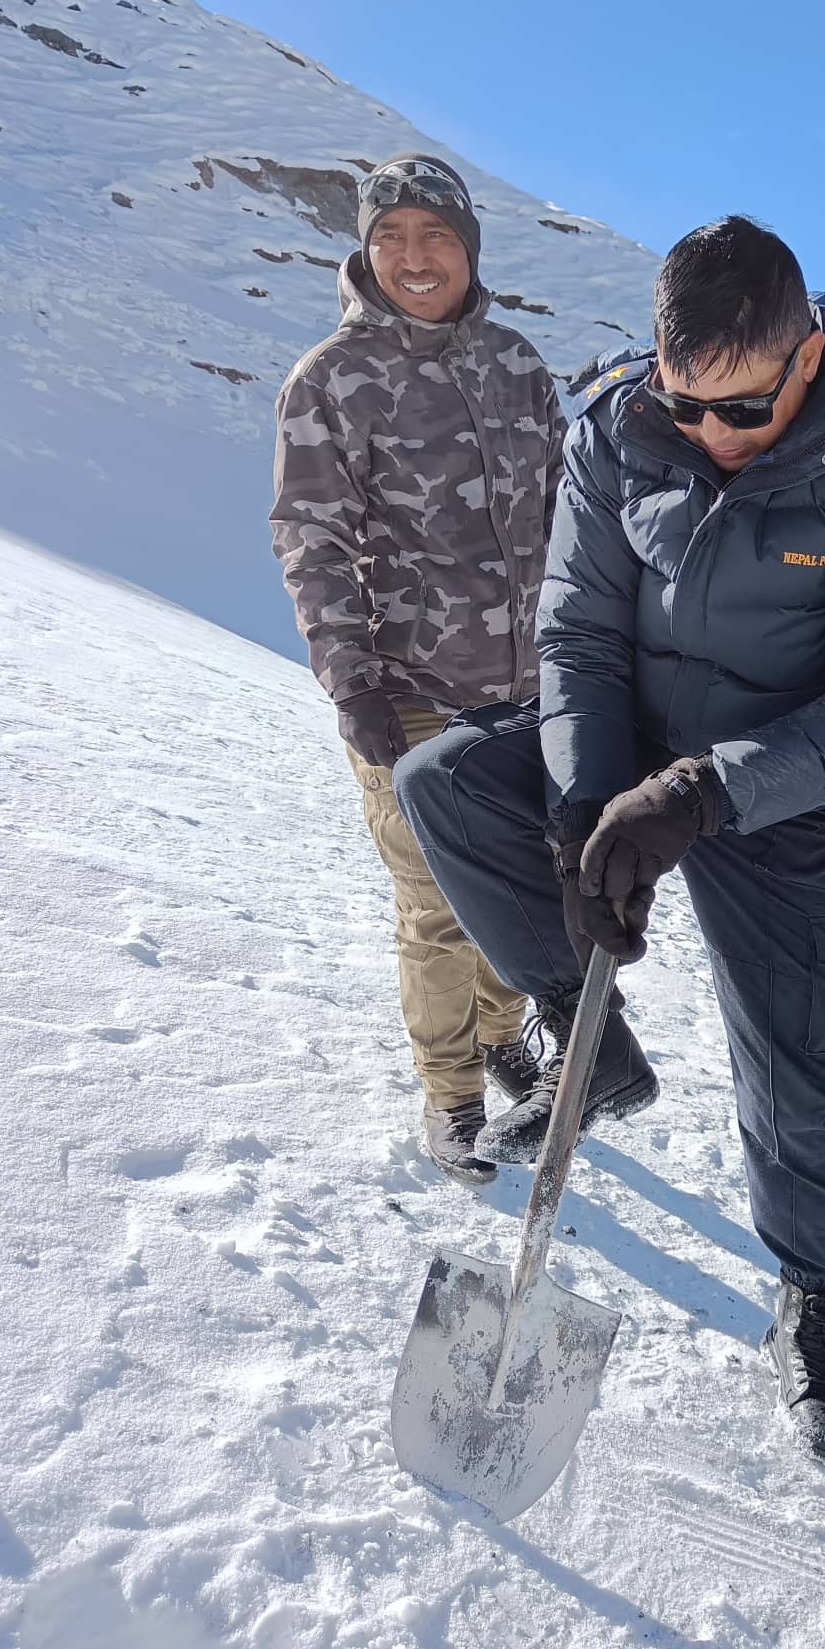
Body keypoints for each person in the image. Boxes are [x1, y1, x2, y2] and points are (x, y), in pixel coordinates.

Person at [395, 216, 825, 1460]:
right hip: (630, 751)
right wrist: (581, 803)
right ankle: (589, 1036)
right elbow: (577, 631)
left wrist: (705, 792)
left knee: (789, 1054)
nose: (714, 434)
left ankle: (806, 1296)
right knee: (442, 778)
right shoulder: (618, 426)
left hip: (776, 783)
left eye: (748, 406)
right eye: (690, 402)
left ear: (810, 354)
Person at [270, 153, 563, 1179]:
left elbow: (567, 525)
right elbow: (309, 533)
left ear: (469, 244)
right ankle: (452, 1094)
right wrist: (352, 680)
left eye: (433, 232)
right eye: (389, 234)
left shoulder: (521, 366)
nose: (412, 254)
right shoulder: (332, 378)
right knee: (438, 906)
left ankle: (499, 1033)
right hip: (412, 702)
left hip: (528, 695)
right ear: (365, 247)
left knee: (524, 891)